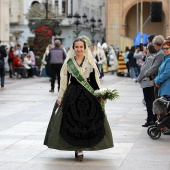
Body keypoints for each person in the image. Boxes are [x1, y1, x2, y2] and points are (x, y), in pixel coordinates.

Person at [44, 37, 113, 161]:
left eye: (81, 47)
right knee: (73, 121)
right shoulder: (69, 62)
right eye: (77, 47)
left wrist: (99, 95)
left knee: (87, 121)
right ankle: (78, 149)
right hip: (73, 94)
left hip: (88, 95)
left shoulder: (91, 62)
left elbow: (94, 81)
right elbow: (64, 81)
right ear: (73, 48)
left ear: (84, 48)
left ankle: (84, 145)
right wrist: (60, 97)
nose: (79, 49)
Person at [136, 43, 157, 127]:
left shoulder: (150, 58)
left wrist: (138, 79)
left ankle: (150, 119)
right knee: (151, 100)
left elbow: (144, 71)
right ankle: (153, 117)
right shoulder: (152, 57)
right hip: (150, 82)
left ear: (149, 50)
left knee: (148, 101)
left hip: (147, 82)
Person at [154, 39, 170, 134]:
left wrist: (157, 80)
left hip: (167, 88)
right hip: (163, 87)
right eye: (163, 48)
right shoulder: (166, 59)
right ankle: (165, 126)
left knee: (167, 110)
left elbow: (167, 73)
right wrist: (157, 80)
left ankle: (166, 126)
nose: (164, 50)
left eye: (167, 48)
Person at [144, 35, 165, 99]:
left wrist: (147, 73)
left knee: (157, 101)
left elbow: (155, 67)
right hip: (158, 79)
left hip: (158, 80)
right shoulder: (160, 52)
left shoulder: (160, 53)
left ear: (156, 44)